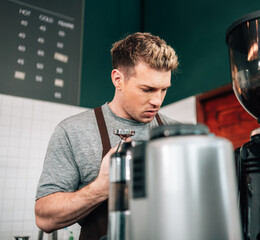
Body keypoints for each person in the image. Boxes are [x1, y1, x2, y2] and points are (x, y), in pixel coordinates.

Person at [35, 32, 179, 240]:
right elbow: (44, 218)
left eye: (163, 90)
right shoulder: (73, 131)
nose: (157, 101)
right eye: (147, 89)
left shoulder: (178, 133)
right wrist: (101, 188)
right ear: (118, 79)